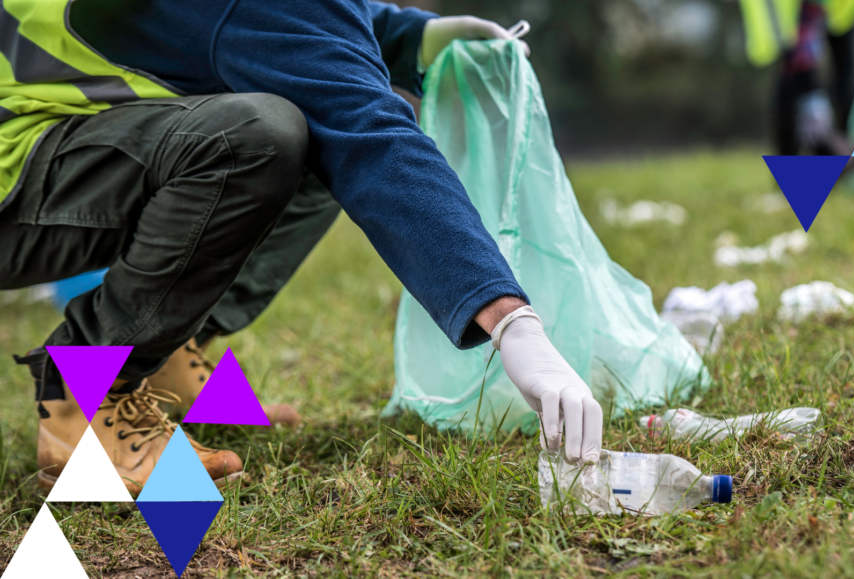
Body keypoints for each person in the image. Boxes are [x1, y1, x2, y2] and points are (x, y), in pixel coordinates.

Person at [0, 0, 603, 494]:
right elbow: (366, 130)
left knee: (298, 128)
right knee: (258, 136)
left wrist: (417, 35)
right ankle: (87, 391)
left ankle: (162, 358)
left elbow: (294, 24)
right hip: (13, 180)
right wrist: (510, 321)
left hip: (42, 145)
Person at [739, 0, 854, 155]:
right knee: (796, 86)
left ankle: (844, 163)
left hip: (843, 10)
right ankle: (797, 174)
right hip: (793, 11)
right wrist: (808, 86)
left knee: (848, 78)